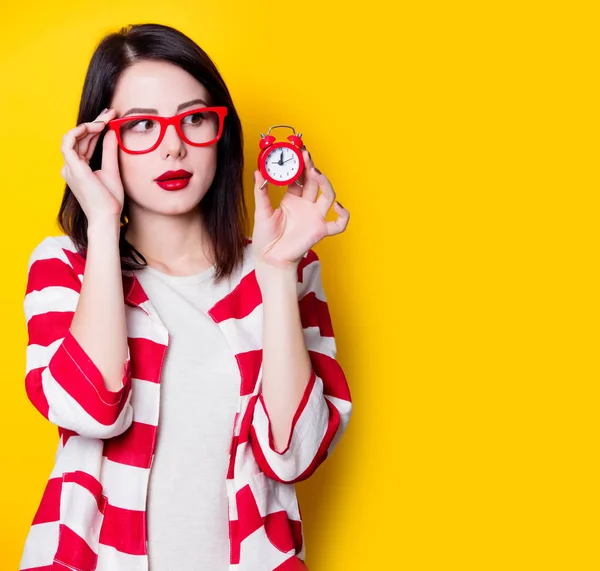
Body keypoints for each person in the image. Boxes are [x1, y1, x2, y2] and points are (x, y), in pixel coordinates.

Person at [19, 22, 352, 571]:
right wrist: (102, 226)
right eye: (142, 125)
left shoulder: (288, 270)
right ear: (103, 140)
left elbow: (293, 457)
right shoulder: (67, 266)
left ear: (220, 132)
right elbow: (88, 411)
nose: (173, 146)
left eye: (194, 118)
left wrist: (277, 270)